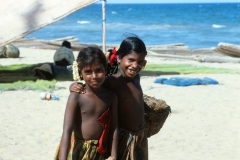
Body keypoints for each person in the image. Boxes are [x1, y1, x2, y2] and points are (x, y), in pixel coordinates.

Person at [70, 36, 148, 160]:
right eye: (131, 60)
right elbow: (93, 86)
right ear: (119, 58)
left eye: (139, 62)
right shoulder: (112, 82)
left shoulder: (136, 78)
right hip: (123, 138)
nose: (134, 65)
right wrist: (73, 86)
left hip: (140, 136)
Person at [54, 46, 118, 160]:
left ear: (106, 69)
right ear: (80, 73)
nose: (94, 76)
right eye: (88, 72)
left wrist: (113, 155)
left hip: (99, 151)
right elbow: (67, 131)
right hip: (78, 149)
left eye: (99, 70)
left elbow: (114, 127)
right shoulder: (76, 97)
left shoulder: (111, 97)